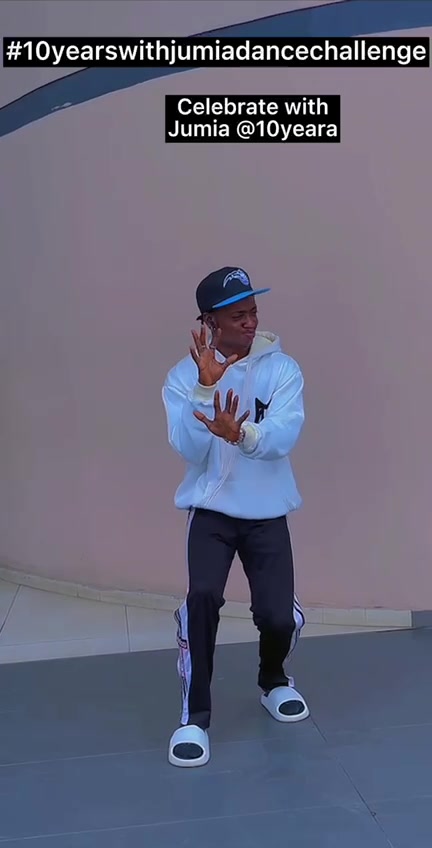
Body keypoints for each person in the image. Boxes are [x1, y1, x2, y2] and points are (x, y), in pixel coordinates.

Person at [162, 266, 309, 769]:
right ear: (209, 322)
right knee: (201, 600)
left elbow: (284, 436)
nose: (250, 322)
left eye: (253, 312)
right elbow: (188, 449)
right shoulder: (181, 377)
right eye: (237, 315)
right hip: (211, 512)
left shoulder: (283, 369)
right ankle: (194, 719)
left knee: (278, 617)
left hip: (267, 512)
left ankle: (274, 681)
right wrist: (205, 390)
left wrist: (241, 434)